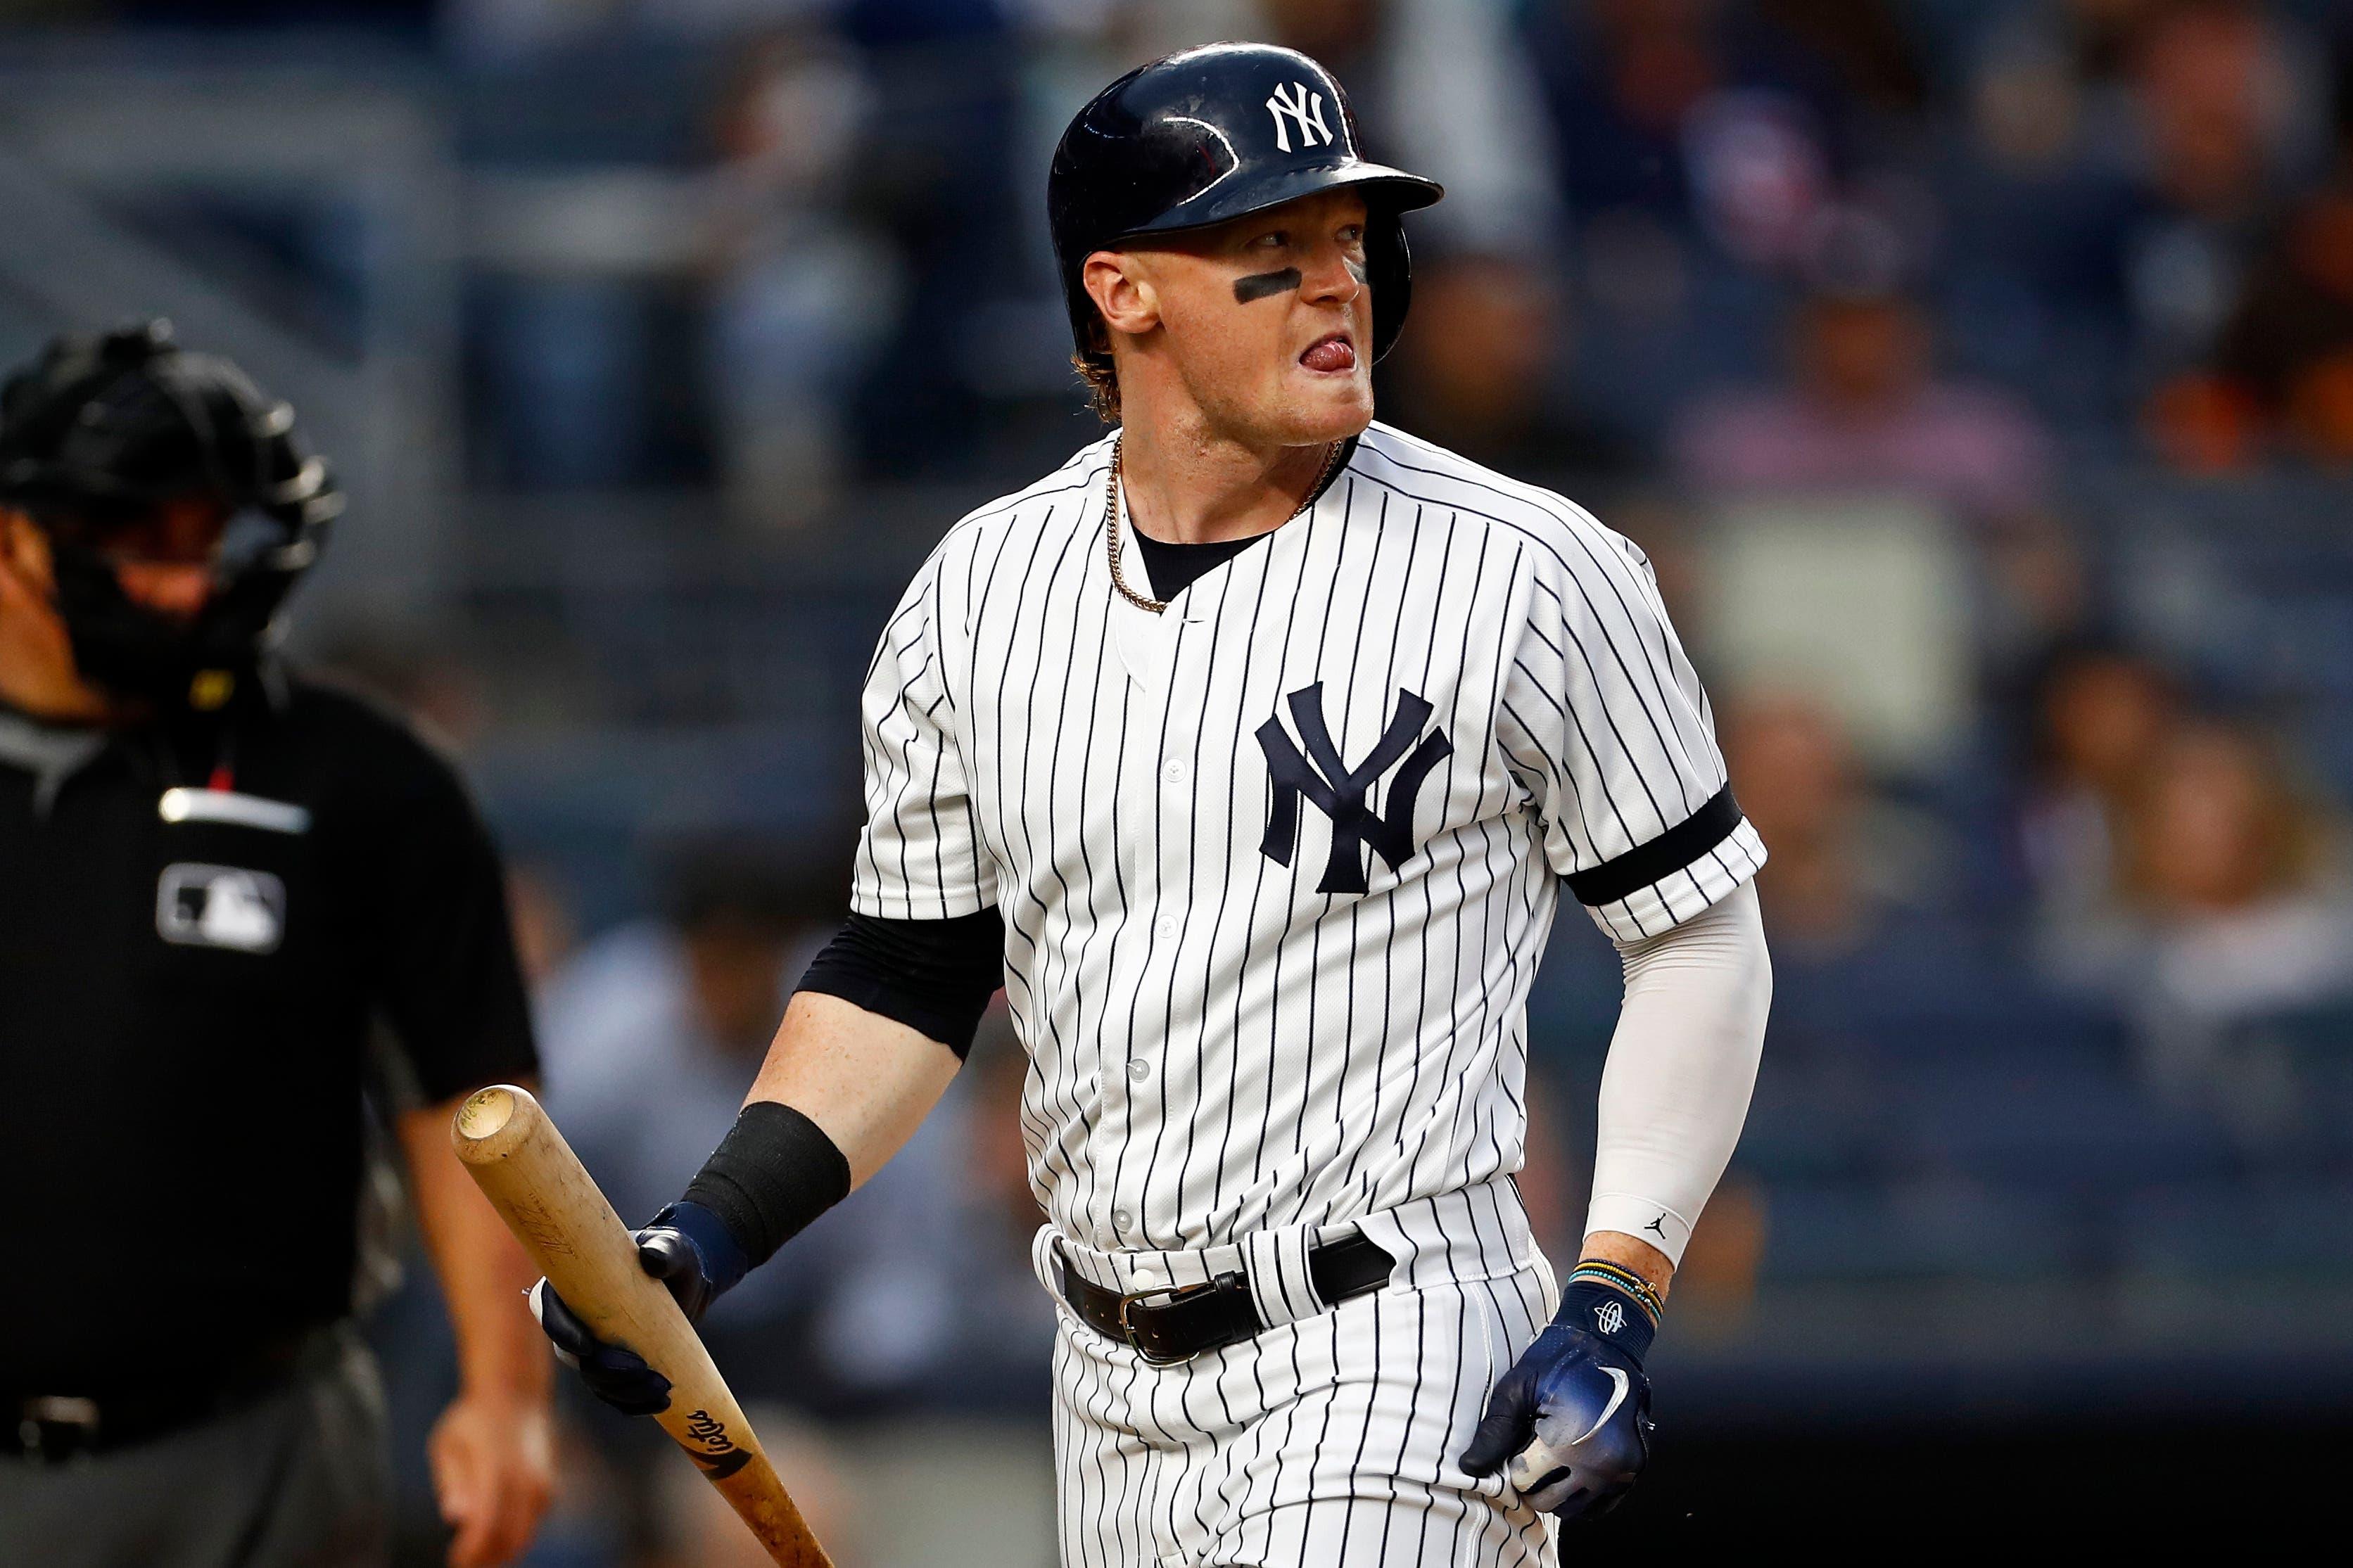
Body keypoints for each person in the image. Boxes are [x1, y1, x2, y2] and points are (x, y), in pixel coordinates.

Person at [536, 44, 1772, 1564]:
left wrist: (1616, 1288)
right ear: (1123, 293)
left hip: (1397, 1339)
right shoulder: (978, 591)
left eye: (1349, 241)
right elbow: (906, 980)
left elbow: (1698, 936)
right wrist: (704, 1238)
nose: (1339, 284)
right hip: (1103, 1373)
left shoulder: (1529, 567)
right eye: (1273, 250)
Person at [0, 322, 553, 1568]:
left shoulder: (366, 778)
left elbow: (472, 1102)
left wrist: (505, 1389)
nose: (190, 586)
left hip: (253, 1453)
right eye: (144, 545)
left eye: (215, 542)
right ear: (15, 533)